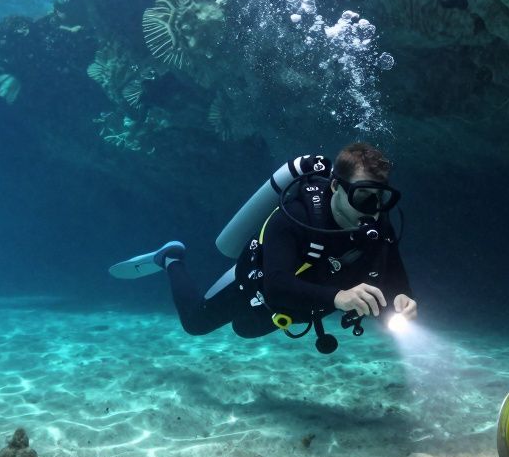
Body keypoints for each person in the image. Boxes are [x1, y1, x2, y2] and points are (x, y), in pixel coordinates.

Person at [111, 142, 417, 354]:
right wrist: (338, 297)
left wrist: (404, 296)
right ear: (336, 186)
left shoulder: (377, 220)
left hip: (296, 307)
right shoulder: (296, 216)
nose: (374, 209)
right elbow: (276, 283)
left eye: (383, 198)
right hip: (255, 283)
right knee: (194, 324)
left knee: (244, 330)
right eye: (364, 196)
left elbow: (392, 268)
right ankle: (171, 258)